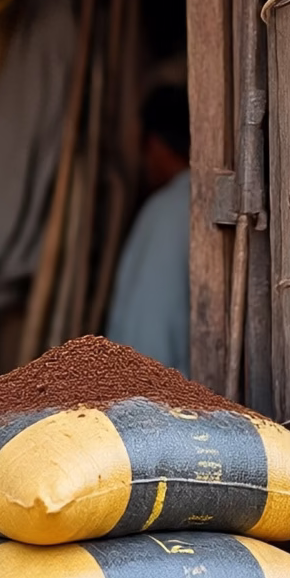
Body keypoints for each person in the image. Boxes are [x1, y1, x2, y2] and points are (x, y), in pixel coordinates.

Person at [106, 85, 191, 376]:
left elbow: (146, 341)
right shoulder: (199, 203)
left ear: (153, 145)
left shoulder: (166, 212)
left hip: (161, 410)